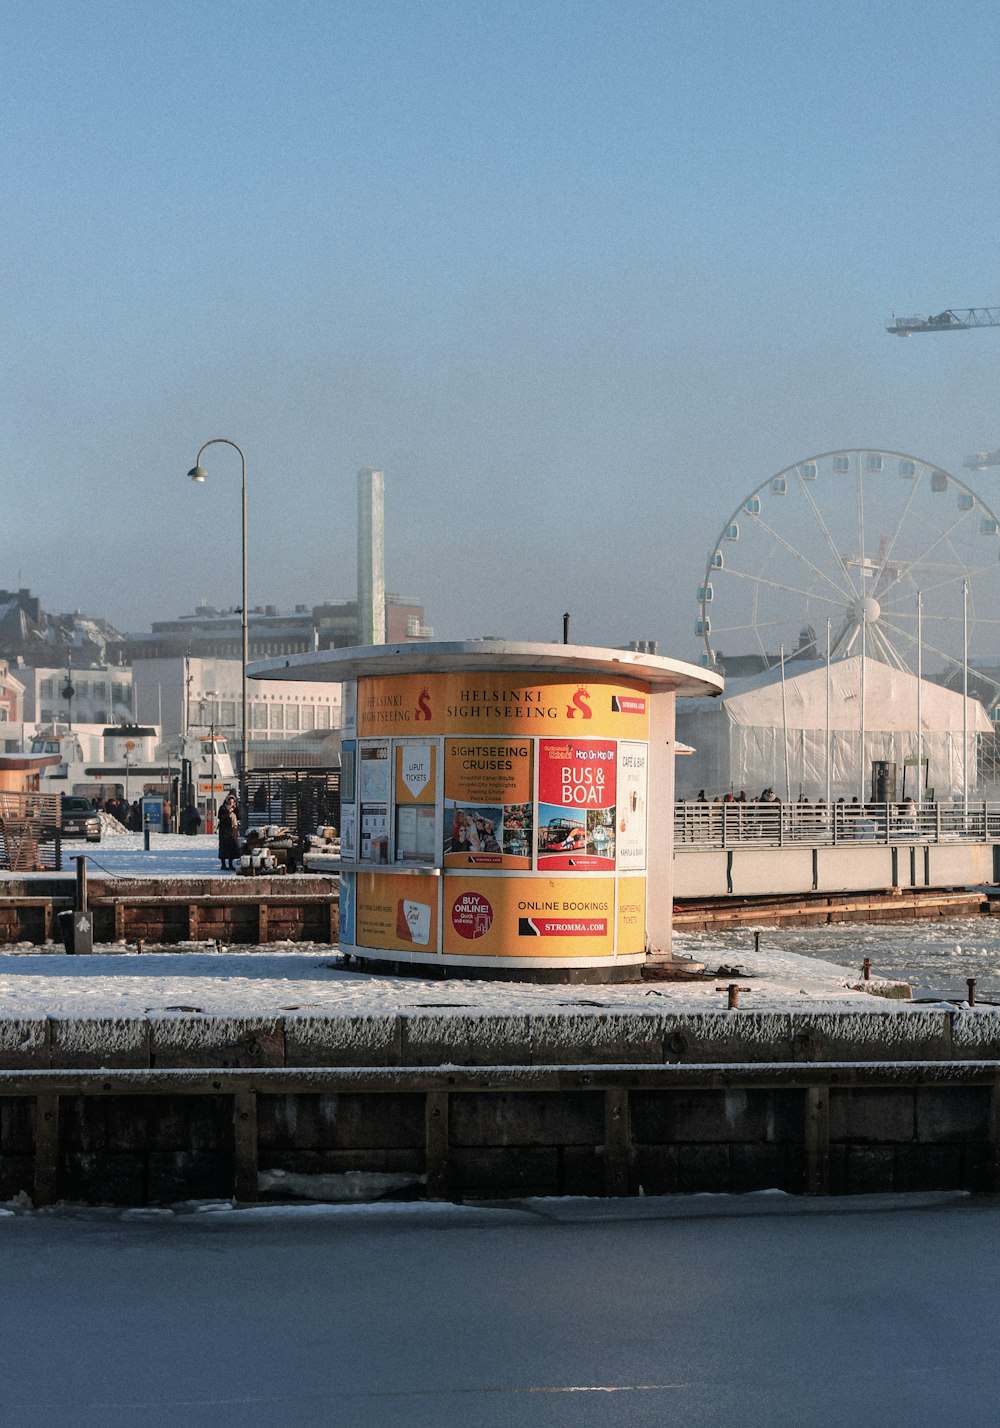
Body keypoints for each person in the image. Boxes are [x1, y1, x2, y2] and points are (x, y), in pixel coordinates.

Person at [218, 792, 241, 871]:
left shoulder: (235, 809)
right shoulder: (223, 808)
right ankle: (223, 865)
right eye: (230, 802)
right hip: (224, 832)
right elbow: (221, 817)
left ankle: (231, 864)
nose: (231, 804)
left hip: (233, 831)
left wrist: (236, 809)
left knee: (232, 848)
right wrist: (228, 812)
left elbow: (239, 816)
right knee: (224, 848)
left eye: (233, 802)